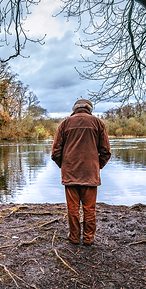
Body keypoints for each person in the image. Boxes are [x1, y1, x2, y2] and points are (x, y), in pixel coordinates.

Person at [50, 99, 111, 246]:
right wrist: (96, 166)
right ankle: (88, 238)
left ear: (74, 109)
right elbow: (106, 151)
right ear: (90, 109)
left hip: (70, 173)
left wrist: (65, 166)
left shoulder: (65, 124)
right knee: (89, 208)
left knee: (73, 208)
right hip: (90, 173)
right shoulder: (98, 123)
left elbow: (55, 152)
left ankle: (74, 237)